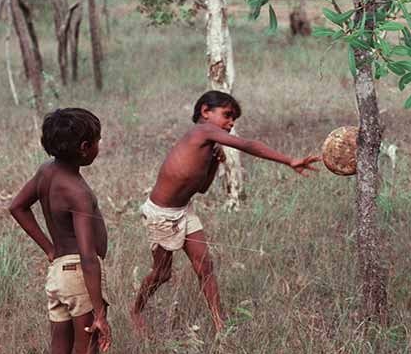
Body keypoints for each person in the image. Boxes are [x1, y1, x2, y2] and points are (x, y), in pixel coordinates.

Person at [130, 90, 320, 335]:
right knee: (162, 273)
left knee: (205, 265)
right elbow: (248, 145)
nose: (231, 123)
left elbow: (202, 188)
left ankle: (221, 325)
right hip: (162, 213)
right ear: (205, 112)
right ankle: (135, 310)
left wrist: (215, 163)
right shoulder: (202, 130)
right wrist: (289, 160)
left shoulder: (209, 146)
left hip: (184, 210)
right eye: (228, 115)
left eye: (234, 120)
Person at [9, 108, 111, 354]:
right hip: (78, 276)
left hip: (57, 275)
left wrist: (50, 248)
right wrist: (99, 311)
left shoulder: (46, 173)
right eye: (98, 141)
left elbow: (17, 207)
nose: (100, 145)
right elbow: (88, 256)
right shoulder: (78, 191)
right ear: (85, 147)